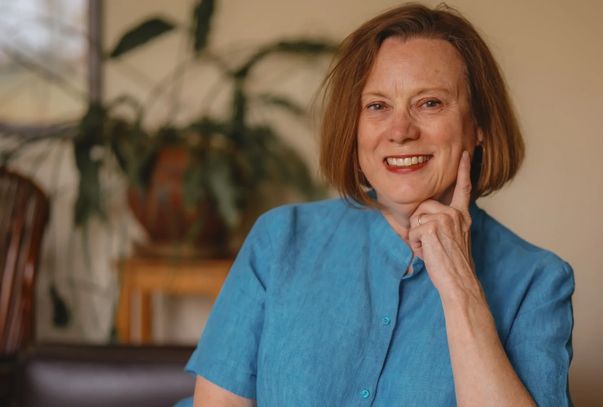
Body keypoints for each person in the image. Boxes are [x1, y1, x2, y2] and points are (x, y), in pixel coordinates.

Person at [183, 3, 574, 406]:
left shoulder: (538, 282)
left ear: (479, 127)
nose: (401, 131)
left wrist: (460, 289)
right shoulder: (280, 238)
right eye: (377, 106)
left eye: (430, 103)